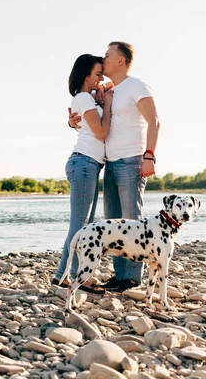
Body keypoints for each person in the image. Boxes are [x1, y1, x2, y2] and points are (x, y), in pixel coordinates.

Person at [69, 41, 160, 292]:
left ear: (121, 60)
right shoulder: (109, 90)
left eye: (108, 56)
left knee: (132, 220)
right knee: (114, 222)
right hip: (110, 161)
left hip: (132, 160)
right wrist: (72, 120)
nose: (104, 58)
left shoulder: (136, 86)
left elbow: (154, 121)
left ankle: (132, 277)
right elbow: (87, 114)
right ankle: (119, 275)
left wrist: (149, 156)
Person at [52, 54, 113, 294]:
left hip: (89, 164)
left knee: (83, 225)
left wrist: (103, 93)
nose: (101, 78)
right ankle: (64, 276)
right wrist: (106, 104)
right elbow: (100, 132)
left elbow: (115, 84)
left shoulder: (88, 97)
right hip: (84, 162)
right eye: (98, 74)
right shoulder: (83, 98)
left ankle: (71, 276)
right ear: (86, 75)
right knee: (79, 226)